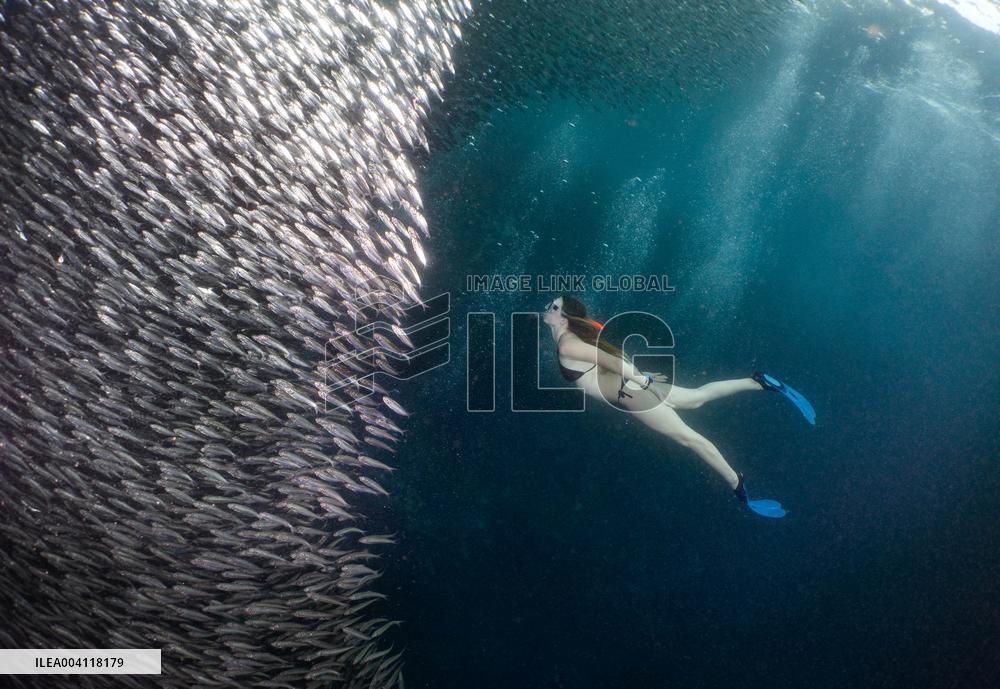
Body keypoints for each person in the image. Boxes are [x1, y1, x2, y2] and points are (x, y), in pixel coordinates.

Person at [542, 295, 815, 518]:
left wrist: (643, 381)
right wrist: (642, 379)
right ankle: (758, 382)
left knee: (690, 439)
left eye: (554, 307)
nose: (547, 309)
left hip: (633, 395)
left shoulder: (568, 345)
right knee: (695, 398)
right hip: (633, 389)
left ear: (565, 317)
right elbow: (611, 362)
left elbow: (615, 363)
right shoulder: (570, 340)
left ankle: (738, 487)